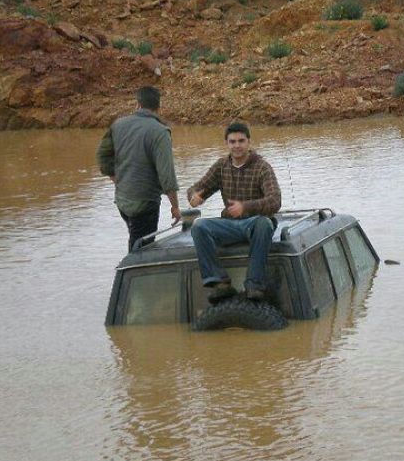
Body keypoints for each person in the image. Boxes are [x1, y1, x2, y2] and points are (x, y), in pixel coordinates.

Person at [188, 122, 282, 303]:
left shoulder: (262, 167)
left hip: (255, 223)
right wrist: (194, 196)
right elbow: (197, 188)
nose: (237, 145)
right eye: (232, 142)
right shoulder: (221, 166)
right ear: (226, 143)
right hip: (230, 224)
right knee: (199, 226)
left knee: (264, 223)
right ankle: (220, 282)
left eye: (241, 141)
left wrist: (245, 207)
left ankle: (254, 284)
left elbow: (275, 200)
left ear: (249, 142)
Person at [97, 86, 181, 252]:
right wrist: (175, 207)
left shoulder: (118, 125)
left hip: (122, 201)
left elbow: (102, 156)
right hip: (145, 203)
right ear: (159, 107)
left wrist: (116, 180)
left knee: (136, 240)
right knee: (141, 251)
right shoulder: (160, 132)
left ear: (137, 104)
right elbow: (167, 175)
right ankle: (129, 273)